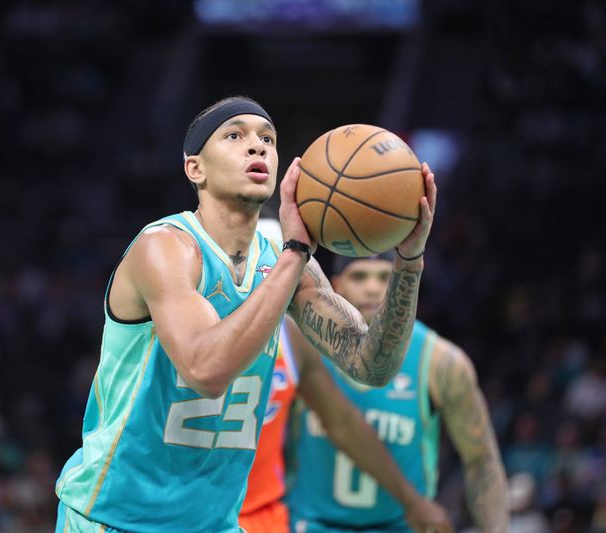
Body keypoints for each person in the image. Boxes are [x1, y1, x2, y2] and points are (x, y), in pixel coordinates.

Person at [54, 95, 437, 532]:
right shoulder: (165, 248)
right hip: (115, 518)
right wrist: (295, 253)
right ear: (194, 168)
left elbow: (371, 365)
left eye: (267, 139)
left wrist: (410, 262)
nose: (257, 146)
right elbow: (206, 368)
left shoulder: (286, 262)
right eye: (235, 135)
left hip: (215, 524)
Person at [239, 221, 451, 533]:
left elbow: (342, 423)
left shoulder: (292, 338)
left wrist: (412, 501)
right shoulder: (185, 317)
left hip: (261, 515)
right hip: (177, 510)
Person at [287, 252, 509, 533]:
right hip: (312, 524)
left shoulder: (440, 361)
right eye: (359, 276)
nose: (372, 287)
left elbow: (481, 460)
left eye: (385, 277)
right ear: (335, 286)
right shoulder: (300, 346)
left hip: (402, 526)